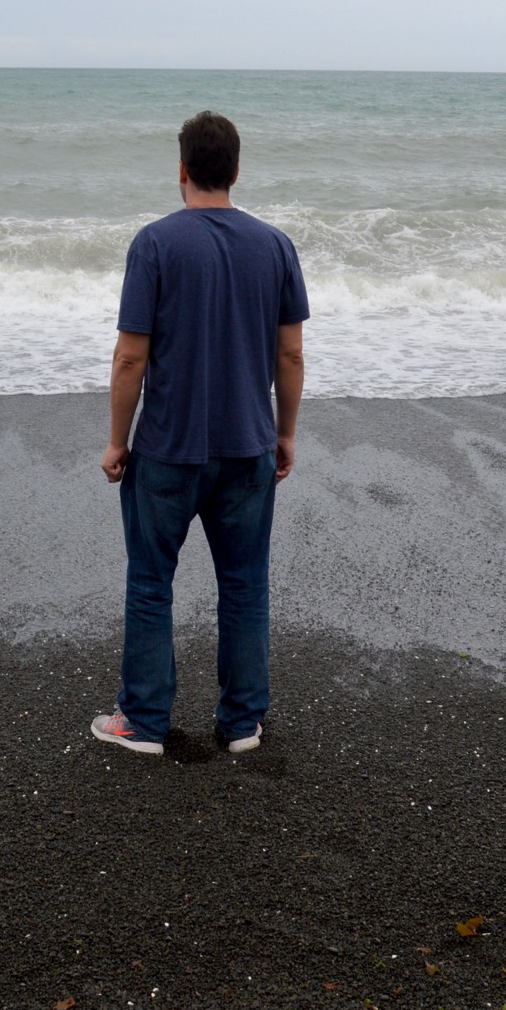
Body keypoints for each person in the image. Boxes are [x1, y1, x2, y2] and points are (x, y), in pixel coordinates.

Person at [90, 111, 308, 756]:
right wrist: (285, 434)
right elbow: (289, 356)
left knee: (152, 582)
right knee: (244, 582)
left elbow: (131, 357)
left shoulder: (155, 243)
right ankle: (242, 724)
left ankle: (145, 722)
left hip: (167, 447)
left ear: (181, 170)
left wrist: (115, 440)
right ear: (236, 171)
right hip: (248, 446)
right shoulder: (274, 245)